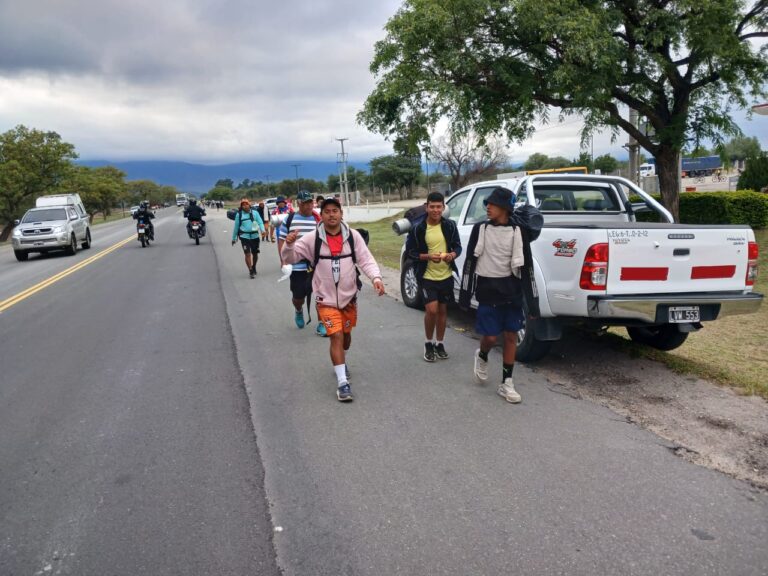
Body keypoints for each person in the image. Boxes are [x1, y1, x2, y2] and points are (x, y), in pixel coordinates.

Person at [281, 197, 385, 402]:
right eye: (327, 211)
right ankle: (342, 383)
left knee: (345, 338)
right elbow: (289, 258)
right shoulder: (313, 238)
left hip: (349, 298)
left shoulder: (353, 237)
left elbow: (365, 259)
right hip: (325, 298)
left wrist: (376, 277)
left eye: (335, 211)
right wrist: (288, 245)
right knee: (335, 335)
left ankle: (341, 360)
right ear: (323, 214)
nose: (331, 214)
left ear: (341, 213)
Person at [460, 187, 526, 404]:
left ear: (505, 208)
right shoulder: (481, 229)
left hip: (512, 291)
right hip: (488, 290)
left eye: (493, 204)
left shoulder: (518, 231)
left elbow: (528, 267)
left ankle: (507, 383)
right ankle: (482, 354)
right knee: (489, 337)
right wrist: (465, 293)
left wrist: (531, 302)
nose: (487, 207)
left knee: (510, 336)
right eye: (487, 203)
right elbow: (470, 262)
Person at [405, 192, 462, 362]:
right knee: (432, 310)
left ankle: (440, 343)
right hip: (427, 275)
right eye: (432, 207)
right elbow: (411, 252)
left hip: (445, 275)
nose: (436, 210)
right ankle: (428, 343)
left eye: (439, 207)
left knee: (443, 311)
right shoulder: (418, 228)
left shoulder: (450, 225)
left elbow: (457, 247)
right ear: (426, 207)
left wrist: (452, 255)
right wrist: (428, 257)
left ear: (444, 207)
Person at [276, 190, 321, 328]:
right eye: (305, 203)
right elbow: (281, 240)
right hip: (297, 265)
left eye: (310, 203)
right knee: (298, 297)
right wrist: (283, 260)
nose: (309, 206)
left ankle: (323, 322)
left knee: (322, 296)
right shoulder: (289, 219)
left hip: (317, 264)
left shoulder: (318, 219)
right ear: (299, 203)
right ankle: (299, 310)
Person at [231, 198, 265, 278]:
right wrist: (233, 238)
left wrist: (262, 230)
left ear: (249, 205)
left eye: (246, 204)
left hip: (255, 236)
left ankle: (254, 266)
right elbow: (236, 227)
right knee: (247, 254)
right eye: (243, 205)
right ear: (241, 206)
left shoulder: (255, 213)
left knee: (255, 254)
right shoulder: (239, 215)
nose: (245, 206)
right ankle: (250, 270)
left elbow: (260, 222)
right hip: (244, 237)